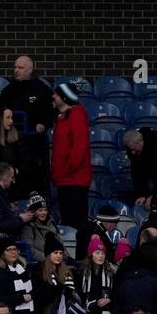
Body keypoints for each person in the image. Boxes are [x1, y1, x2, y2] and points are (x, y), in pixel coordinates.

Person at [0, 55, 54, 192]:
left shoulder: (41, 88)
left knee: (35, 180)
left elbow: (50, 111)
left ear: (30, 69)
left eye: (20, 68)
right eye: (15, 67)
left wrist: (43, 123)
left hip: (34, 144)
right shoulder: (10, 89)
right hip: (13, 142)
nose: (16, 70)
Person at [50, 82, 91, 231]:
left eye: (56, 94)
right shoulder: (63, 117)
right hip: (65, 180)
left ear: (64, 97)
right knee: (68, 222)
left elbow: (80, 146)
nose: (53, 96)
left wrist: (67, 169)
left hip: (74, 180)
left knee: (75, 224)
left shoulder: (76, 115)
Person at [76, 235, 120, 314]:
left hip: (106, 311)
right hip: (87, 311)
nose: (101, 256)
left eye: (103, 253)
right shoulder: (82, 272)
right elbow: (79, 294)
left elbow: (117, 292)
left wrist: (109, 299)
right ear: (91, 254)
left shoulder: (111, 272)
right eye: (97, 253)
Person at [19, 193, 63, 262]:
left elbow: (60, 243)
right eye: (40, 210)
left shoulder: (51, 223)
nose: (43, 213)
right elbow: (30, 250)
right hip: (42, 263)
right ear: (33, 212)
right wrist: (48, 258)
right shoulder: (28, 227)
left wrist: (67, 257)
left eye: (45, 210)